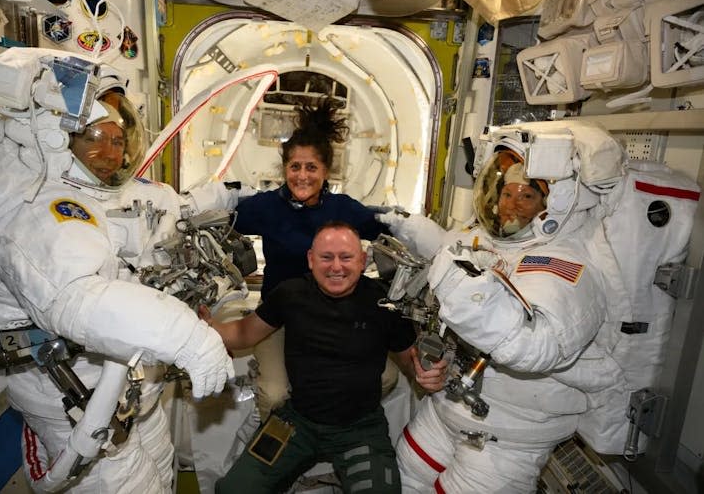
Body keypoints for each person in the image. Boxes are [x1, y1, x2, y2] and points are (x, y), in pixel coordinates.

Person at [0, 48, 249, 492]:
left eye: (117, 139)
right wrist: (191, 340)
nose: (110, 153)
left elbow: (169, 205)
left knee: (161, 475)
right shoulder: (38, 210)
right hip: (80, 406)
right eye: (94, 137)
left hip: (131, 397)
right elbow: (80, 299)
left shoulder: (105, 194)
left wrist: (227, 196)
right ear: (56, 136)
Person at [379, 121, 631, 492]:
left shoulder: (564, 266)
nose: (513, 203)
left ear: (553, 205)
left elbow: (535, 346)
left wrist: (461, 290)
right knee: (399, 480)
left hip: (507, 436)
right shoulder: (481, 239)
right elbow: (449, 260)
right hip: (449, 409)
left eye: (527, 195)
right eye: (507, 192)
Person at [207, 221, 447, 493]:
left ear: (362, 260)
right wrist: (202, 327)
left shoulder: (384, 304)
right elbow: (243, 333)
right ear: (311, 260)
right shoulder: (291, 293)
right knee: (233, 490)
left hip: (360, 430)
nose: (336, 267)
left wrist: (427, 375)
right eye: (326, 257)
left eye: (346, 257)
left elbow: (409, 359)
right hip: (297, 424)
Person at [232, 96, 392, 419]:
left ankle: (330, 432)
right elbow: (222, 216)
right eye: (294, 167)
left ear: (326, 171)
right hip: (277, 319)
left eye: (311, 167)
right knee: (275, 395)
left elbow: (388, 229)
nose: (301, 176)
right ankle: (273, 450)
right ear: (284, 169)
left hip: (334, 318)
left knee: (386, 377)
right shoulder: (265, 207)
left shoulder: (343, 210)